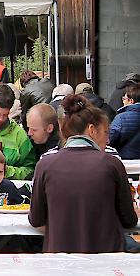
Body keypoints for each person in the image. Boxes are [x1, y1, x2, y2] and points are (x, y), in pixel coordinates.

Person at [29, 95, 138, 253]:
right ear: (92, 130)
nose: (107, 140)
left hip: (58, 259)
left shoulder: (45, 165)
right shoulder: (112, 164)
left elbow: (36, 219)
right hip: (106, 259)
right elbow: (129, 219)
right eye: (105, 132)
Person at [109, 83, 140, 159]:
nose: (123, 101)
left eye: (124, 99)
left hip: (127, 161)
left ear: (131, 101)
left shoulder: (121, 118)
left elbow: (110, 139)